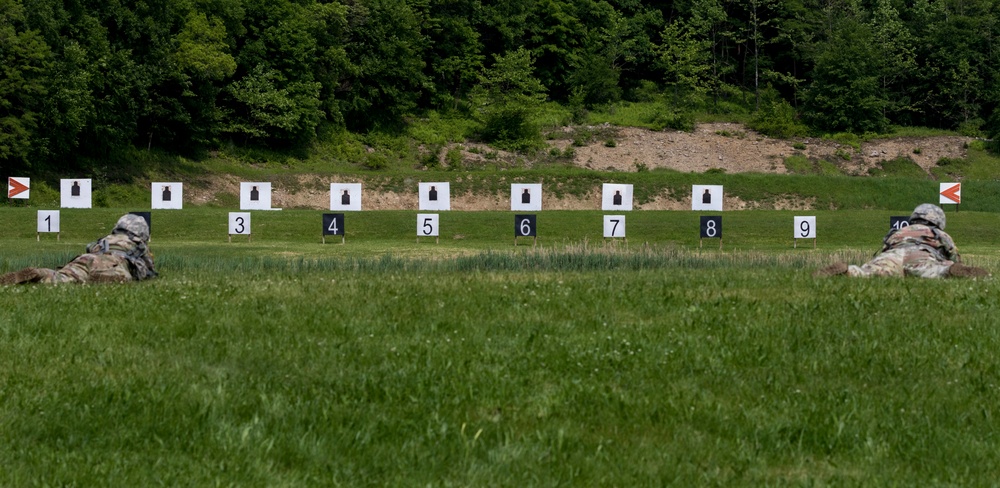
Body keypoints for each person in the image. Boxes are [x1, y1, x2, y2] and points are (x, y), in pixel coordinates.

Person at [815, 203, 988, 278]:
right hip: (921, 255)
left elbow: (883, 250)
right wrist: (953, 266)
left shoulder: (898, 231)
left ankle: (850, 272)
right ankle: (948, 273)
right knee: (935, 272)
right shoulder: (936, 233)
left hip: (892, 255)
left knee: (872, 273)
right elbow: (954, 256)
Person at [0, 214, 157, 285]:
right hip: (113, 263)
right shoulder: (137, 243)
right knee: (121, 278)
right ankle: (103, 279)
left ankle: (40, 274)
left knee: (64, 278)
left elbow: (90, 248)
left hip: (86, 259)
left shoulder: (104, 240)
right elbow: (148, 270)